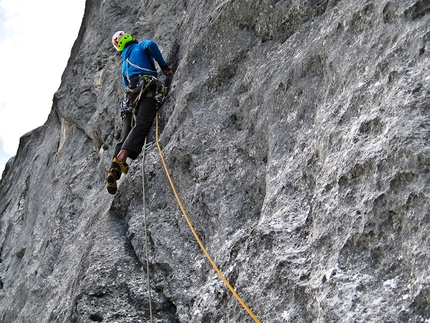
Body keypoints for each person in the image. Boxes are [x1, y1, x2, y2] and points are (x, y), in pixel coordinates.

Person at [106, 31, 173, 195]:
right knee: (142, 123)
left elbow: (125, 82)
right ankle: (122, 158)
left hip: (130, 97)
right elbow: (150, 45)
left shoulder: (124, 64)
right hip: (147, 88)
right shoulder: (139, 46)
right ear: (129, 38)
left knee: (125, 134)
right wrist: (163, 66)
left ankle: (113, 170)